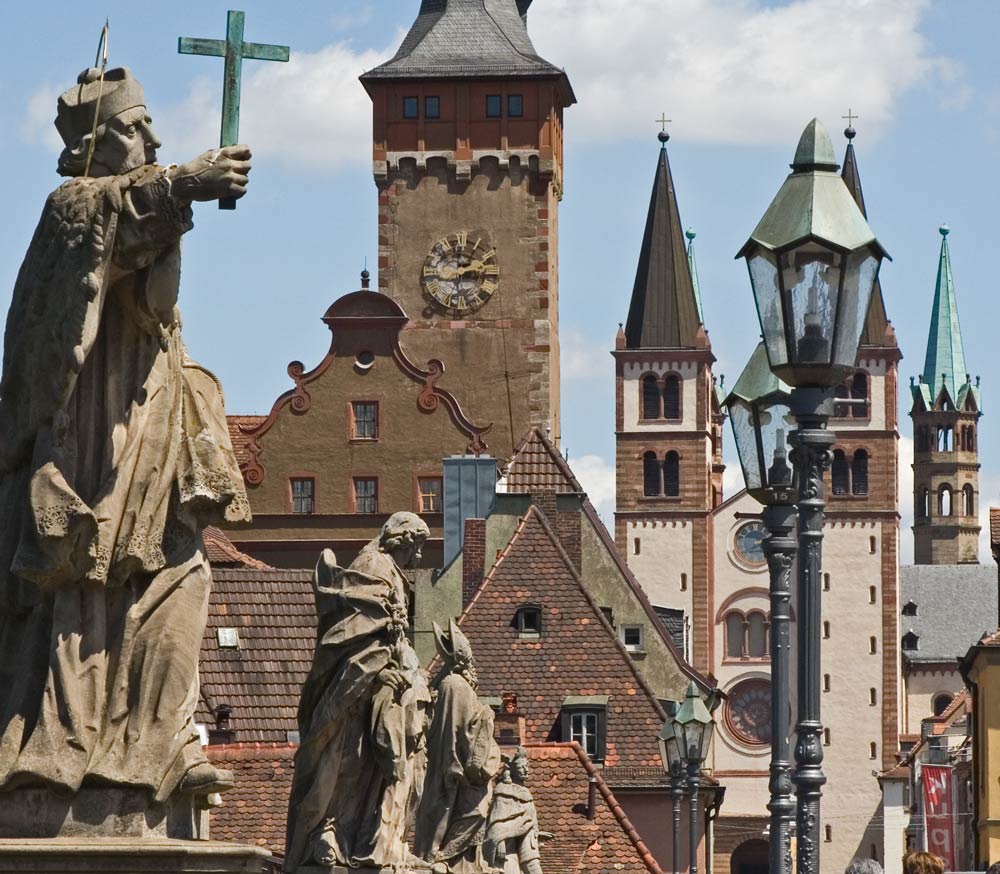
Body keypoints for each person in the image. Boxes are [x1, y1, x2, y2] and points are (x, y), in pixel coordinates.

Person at [0, 65, 252, 803]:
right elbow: (116, 221)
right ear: (92, 144)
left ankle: (155, 744)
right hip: (91, 437)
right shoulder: (72, 209)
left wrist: (183, 193)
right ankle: (66, 748)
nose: (153, 136)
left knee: (183, 575)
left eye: (149, 124)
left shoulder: (126, 205)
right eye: (133, 126)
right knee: (89, 579)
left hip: (155, 421)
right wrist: (187, 183)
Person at [284, 513, 432, 872]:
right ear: (401, 539)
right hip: (354, 685)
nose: (420, 557)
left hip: (380, 684)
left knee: (376, 764)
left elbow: (389, 631)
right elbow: (357, 631)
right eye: (417, 546)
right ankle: (328, 830)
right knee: (344, 757)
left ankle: (370, 839)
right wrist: (381, 669)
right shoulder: (373, 565)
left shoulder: (391, 569)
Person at [414, 618, 502, 872]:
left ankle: (462, 860)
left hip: (444, 761)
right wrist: (487, 715)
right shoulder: (456, 686)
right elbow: (465, 730)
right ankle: (444, 858)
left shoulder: (446, 684)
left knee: (446, 809)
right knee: (473, 808)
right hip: (455, 765)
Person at [484, 748, 545, 874]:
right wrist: (499, 839)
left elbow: (526, 824)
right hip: (505, 854)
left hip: (521, 852)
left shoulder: (526, 794)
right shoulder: (503, 791)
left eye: (527, 766)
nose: (526, 770)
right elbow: (496, 823)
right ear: (512, 769)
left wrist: (535, 835)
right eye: (522, 767)